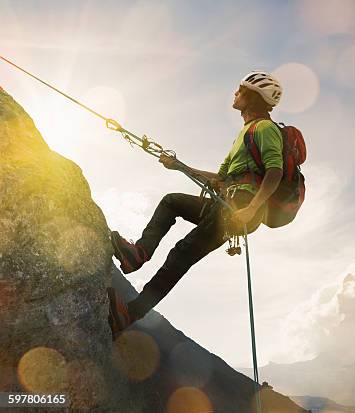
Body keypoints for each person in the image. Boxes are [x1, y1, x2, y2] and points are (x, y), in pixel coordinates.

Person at [107, 71, 284, 338]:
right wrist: (179, 166)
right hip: (227, 204)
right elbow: (221, 178)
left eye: (240, 90)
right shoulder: (244, 133)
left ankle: (130, 314)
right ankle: (138, 254)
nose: (235, 94)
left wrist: (250, 209)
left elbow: (275, 172)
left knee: (181, 255)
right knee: (172, 202)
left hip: (240, 209)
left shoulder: (265, 129)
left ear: (253, 96)